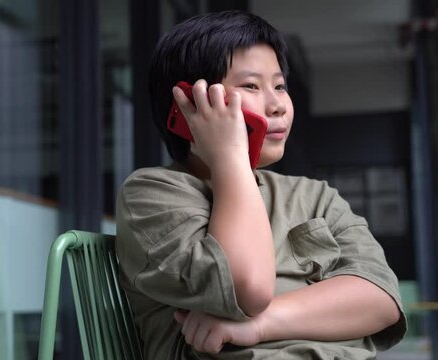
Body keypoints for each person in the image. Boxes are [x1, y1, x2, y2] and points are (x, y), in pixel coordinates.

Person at [115, 10, 406, 360]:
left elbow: (381, 300)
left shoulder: (316, 197)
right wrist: (230, 156)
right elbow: (246, 289)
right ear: (190, 103)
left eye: (280, 86)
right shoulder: (154, 193)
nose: (278, 105)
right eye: (251, 86)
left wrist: (259, 325)